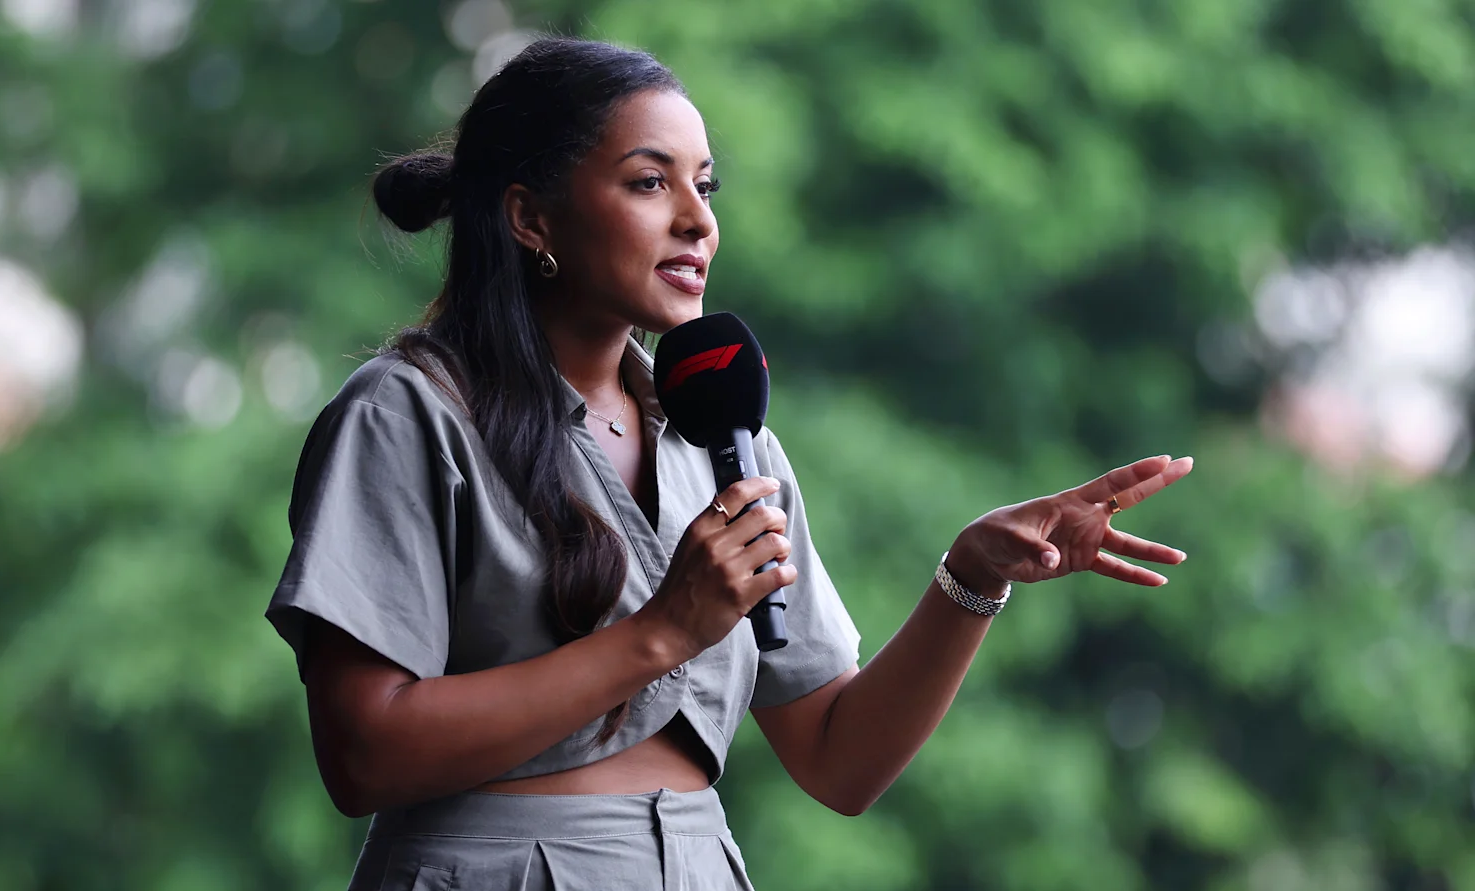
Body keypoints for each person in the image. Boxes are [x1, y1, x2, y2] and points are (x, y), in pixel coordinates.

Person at [265, 37, 1193, 891]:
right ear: (530, 216)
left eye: (707, 187)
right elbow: (364, 755)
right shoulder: (409, 413)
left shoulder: (719, 432)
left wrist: (971, 575)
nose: (697, 222)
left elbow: (839, 761)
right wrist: (660, 632)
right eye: (648, 183)